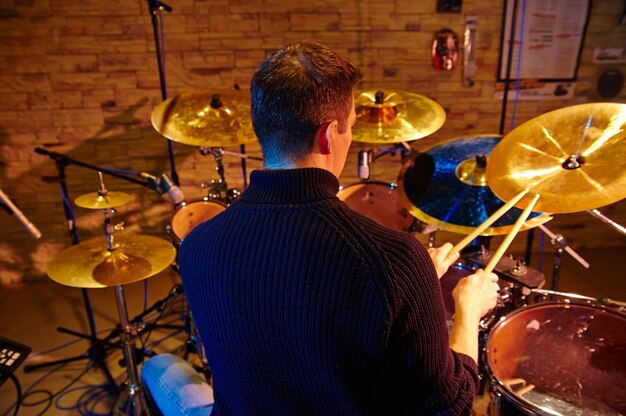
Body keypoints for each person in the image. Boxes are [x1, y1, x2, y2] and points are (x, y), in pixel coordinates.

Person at [142, 41, 499, 415]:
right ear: (329, 135)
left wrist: (420, 280)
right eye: (352, 129)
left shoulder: (198, 245)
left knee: (158, 366)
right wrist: (467, 311)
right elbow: (451, 405)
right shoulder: (395, 259)